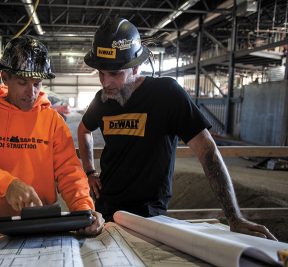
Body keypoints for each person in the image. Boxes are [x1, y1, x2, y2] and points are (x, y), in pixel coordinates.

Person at [77, 18, 277, 240]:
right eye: (101, 73)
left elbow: (207, 152)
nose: (106, 82)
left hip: (150, 216)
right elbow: (84, 129)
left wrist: (234, 217)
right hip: (105, 209)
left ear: (135, 67)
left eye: (114, 74)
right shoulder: (103, 100)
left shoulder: (167, 95)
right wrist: (89, 171)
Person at [0, 35, 104, 235]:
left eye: (37, 83)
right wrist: (7, 185)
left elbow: (70, 173)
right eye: (22, 82)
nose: (31, 92)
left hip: (39, 226)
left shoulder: (52, 122)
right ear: (5, 77)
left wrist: (83, 208)